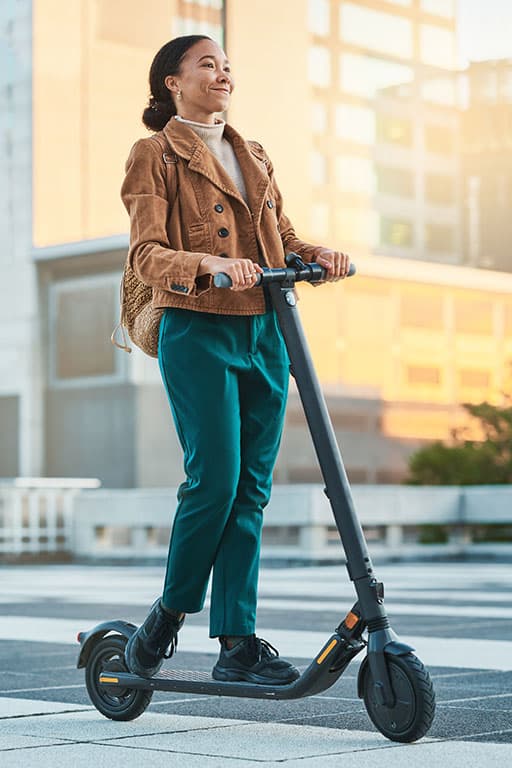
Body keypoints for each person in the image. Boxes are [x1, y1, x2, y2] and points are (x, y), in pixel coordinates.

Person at [121, 34, 350, 685]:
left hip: (267, 332)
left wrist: (321, 255)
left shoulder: (251, 152)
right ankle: (167, 617)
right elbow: (147, 255)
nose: (222, 74)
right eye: (206, 65)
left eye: (225, 66)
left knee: (252, 490)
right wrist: (210, 265)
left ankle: (237, 645)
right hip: (196, 329)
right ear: (172, 81)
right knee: (214, 482)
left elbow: (284, 238)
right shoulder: (155, 153)